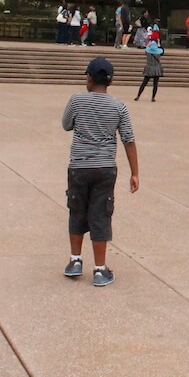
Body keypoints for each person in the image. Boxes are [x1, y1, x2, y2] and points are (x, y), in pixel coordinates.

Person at [62, 58, 139, 287]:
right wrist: (135, 173)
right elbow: (129, 140)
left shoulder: (76, 100)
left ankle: (75, 261)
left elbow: (66, 125)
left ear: (89, 78)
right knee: (100, 214)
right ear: (111, 81)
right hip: (105, 168)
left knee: (76, 210)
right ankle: (99, 269)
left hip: (78, 167)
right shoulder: (119, 107)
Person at [135, 35, 164, 102]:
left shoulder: (148, 52)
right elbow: (162, 50)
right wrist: (159, 44)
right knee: (155, 84)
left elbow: (146, 48)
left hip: (149, 68)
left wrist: (149, 43)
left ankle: (138, 95)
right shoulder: (159, 52)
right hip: (157, 69)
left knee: (144, 83)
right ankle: (153, 97)